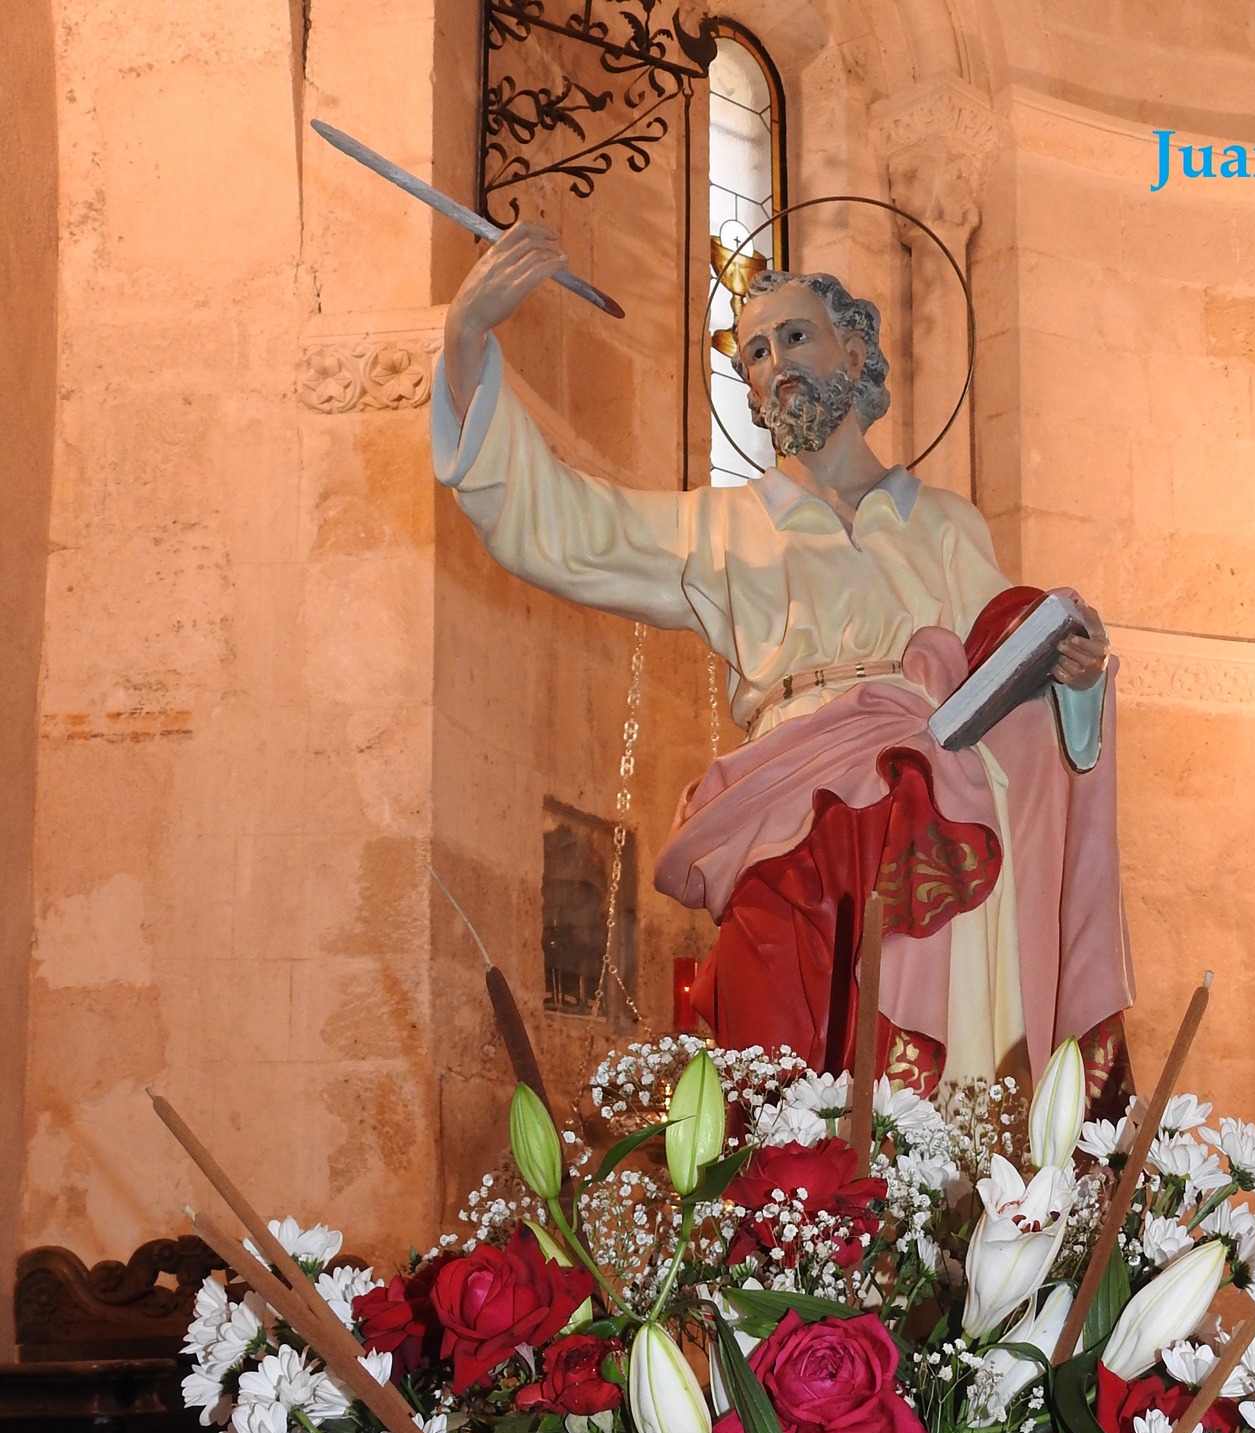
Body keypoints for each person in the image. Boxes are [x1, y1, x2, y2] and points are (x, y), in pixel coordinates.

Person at [434, 220, 1133, 1102]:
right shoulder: (724, 526)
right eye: (756, 352)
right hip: (781, 813)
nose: (775, 361)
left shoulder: (947, 525)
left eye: (795, 335)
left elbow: (1009, 680)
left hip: (931, 820)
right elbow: (561, 527)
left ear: (856, 350)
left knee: (920, 1086)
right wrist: (465, 338)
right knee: (773, 1070)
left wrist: (1071, 677)